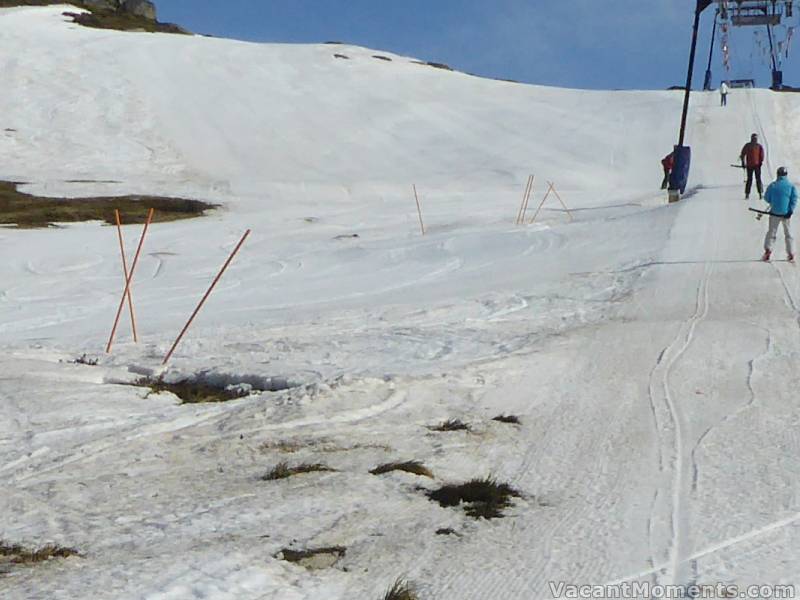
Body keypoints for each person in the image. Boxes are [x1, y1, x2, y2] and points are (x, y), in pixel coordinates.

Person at [762, 166, 797, 262]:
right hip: (786, 214)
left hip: (774, 213)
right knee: (788, 233)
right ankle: (791, 253)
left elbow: (766, 198)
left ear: (777, 174)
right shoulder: (791, 186)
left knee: (771, 232)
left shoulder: (773, 185)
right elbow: (794, 199)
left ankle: (768, 250)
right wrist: (790, 210)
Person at [740, 133, 765, 200]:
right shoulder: (758, 146)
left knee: (750, 180)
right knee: (757, 179)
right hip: (755, 165)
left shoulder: (749, 145)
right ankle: (759, 194)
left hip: (752, 165)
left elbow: (742, 154)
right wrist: (761, 162)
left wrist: (743, 162)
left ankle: (748, 194)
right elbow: (762, 156)